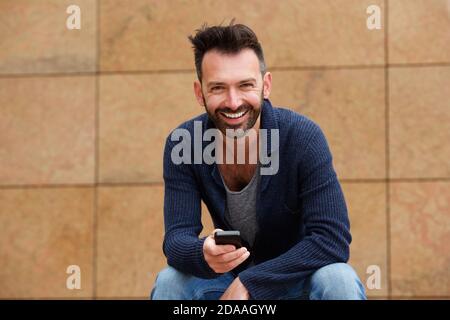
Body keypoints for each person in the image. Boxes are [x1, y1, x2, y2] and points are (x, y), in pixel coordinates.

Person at [150, 21, 366, 300]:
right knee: (170, 281)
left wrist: (251, 283)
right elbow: (177, 238)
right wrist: (202, 252)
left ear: (266, 86)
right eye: (217, 88)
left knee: (338, 278)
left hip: (296, 280)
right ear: (199, 92)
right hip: (226, 281)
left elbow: (331, 239)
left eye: (245, 85)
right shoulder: (184, 143)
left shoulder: (302, 137)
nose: (233, 101)